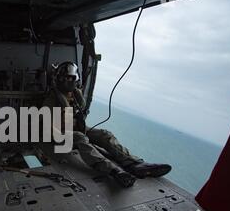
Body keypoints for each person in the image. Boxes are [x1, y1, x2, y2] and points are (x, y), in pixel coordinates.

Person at [42, 61, 171, 188]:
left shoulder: (75, 95)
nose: (66, 81)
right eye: (63, 78)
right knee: (80, 138)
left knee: (104, 134)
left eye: (70, 78)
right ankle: (114, 171)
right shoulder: (52, 98)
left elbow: (79, 112)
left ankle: (135, 164)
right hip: (57, 134)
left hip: (75, 128)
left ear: (76, 79)